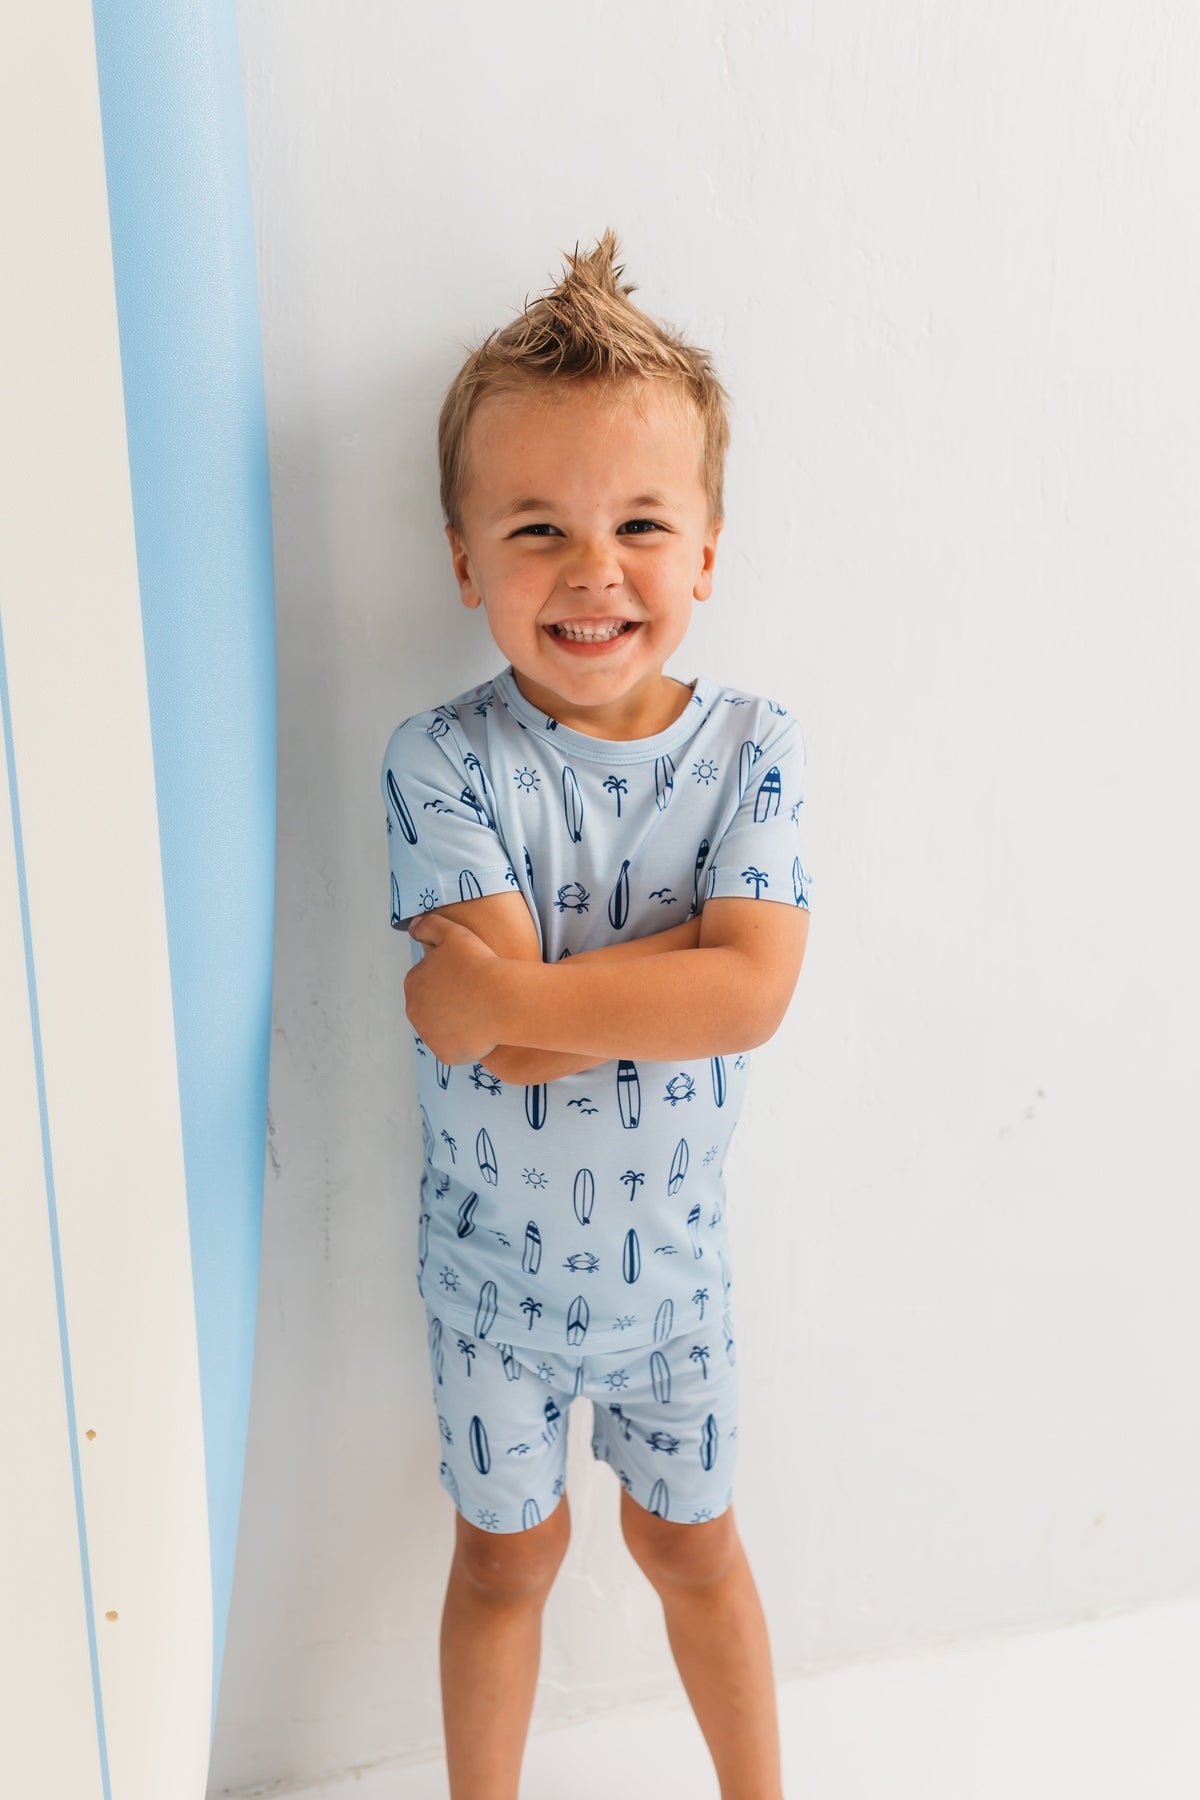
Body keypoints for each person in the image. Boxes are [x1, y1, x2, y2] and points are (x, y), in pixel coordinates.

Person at [380, 227, 812, 1800]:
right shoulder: (441, 763)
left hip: (674, 1288)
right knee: (506, 1562)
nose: (593, 569)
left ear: (706, 549)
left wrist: (519, 992)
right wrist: (682, 968)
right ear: (465, 560)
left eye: (639, 524)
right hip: (489, 1287)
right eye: (538, 529)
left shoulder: (756, 749)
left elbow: (743, 997)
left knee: (693, 1549)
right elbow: (532, 1036)